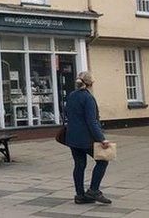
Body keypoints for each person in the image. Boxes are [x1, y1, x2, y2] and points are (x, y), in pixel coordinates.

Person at [65, 71, 112, 205]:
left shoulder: (71, 95)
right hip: (86, 138)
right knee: (103, 161)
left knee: (79, 165)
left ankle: (80, 195)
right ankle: (94, 190)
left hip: (72, 137)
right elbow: (92, 121)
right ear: (90, 83)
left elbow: (67, 113)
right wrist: (102, 139)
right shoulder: (88, 98)